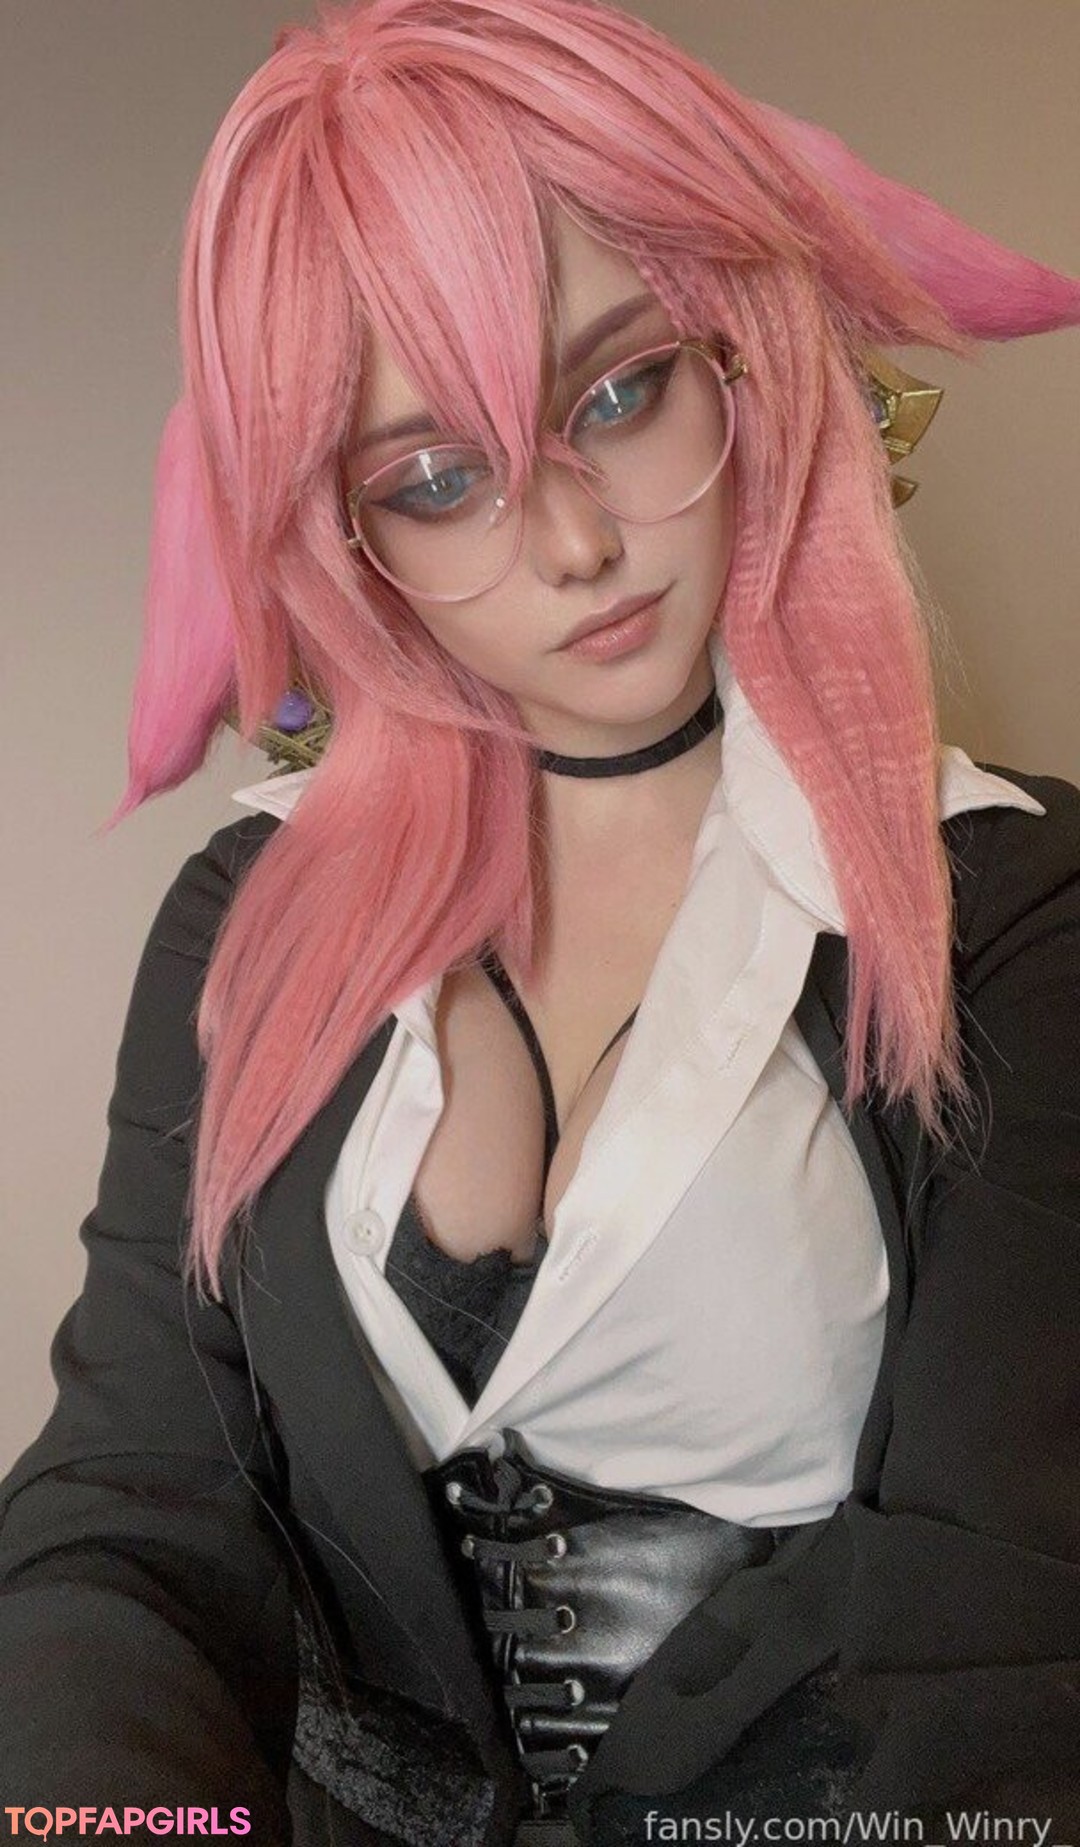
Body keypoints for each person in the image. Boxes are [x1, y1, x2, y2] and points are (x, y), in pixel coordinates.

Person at [1, 1, 1078, 1843]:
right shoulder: (244, 917)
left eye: (619, 392)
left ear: (742, 356)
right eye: (437, 480)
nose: (573, 543)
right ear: (351, 542)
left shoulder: (1012, 906)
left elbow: (1000, 1618)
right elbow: (132, 1512)